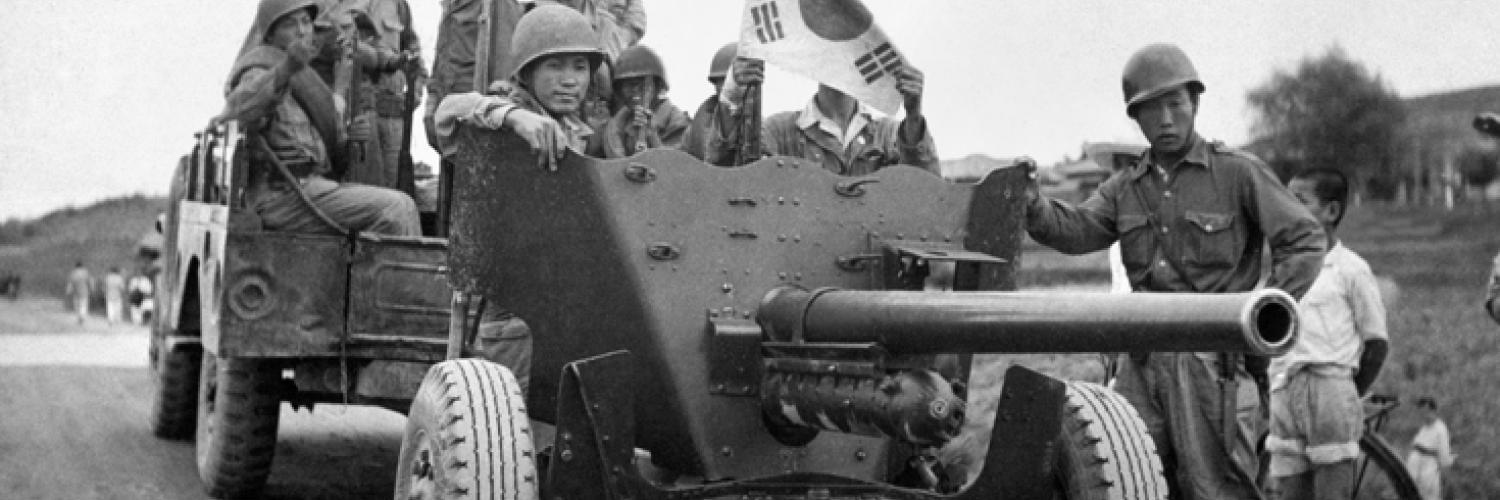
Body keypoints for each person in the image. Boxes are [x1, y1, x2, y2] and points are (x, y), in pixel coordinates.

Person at [1022, 44, 1327, 499]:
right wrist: (1033, 205)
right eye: (1150, 109)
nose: (1165, 119)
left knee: (1214, 490)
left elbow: (1304, 240)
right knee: (1134, 485)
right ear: (1136, 118)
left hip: (1211, 364)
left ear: (1195, 104)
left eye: (1175, 104)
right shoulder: (1126, 187)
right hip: (1141, 362)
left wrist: (1263, 318)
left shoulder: (1238, 173)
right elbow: (1078, 231)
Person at [433, 4, 610, 393]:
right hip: (514, 321)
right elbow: (446, 115)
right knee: (512, 439)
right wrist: (513, 116)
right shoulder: (502, 121)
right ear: (527, 72)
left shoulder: (579, 133)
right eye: (555, 67)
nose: (569, 81)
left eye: (579, 67)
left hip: (564, 310)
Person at [221, 0, 421, 237]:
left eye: (306, 22)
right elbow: (238, 113)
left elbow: (324, 156)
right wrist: (284, 70)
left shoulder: (306, 79)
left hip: (309, 189)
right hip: (281, 195)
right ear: (270, 34)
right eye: (289, 24)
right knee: (396, 209)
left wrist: (348, 141)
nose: (301, 30)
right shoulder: (259, 70)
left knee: (396, 204)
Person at [1265, 168, 1389, 500]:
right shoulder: (1282, 270)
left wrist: (1347, 390)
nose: (1288, 209)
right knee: (1288, 487)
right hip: (1283, 387)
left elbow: (1376, 343)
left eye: (1300, 202)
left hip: (1330, 389)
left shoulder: (1351, 269)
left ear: (1331, 212)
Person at [709, 56, 938, 175]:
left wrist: (914, 115)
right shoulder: (780, 133)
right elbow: (729, 174)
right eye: (829, 54)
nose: (840, 63)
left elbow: (926, 194)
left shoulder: (888, 136)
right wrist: (732, 93)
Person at [596, 44, 691, 158]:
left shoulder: (677, 122)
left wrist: (652, 136)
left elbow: (678, 168)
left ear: (658, 86)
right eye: (627, 85)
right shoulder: (616, 126)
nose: (634, 91)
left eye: (642, 84)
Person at [683, 42, 736, 163]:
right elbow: (677, 167)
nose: (725, 88)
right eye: (720, 81)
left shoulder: (760, 128)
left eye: (731, 82)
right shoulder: (694, 129)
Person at [1405, 397, 1453, 500]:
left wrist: (1446, 482)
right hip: (1415, 472)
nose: (1424, 414)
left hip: (1428, 473)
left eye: (1427, 411)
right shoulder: (1424, 428)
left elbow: (1444, 457)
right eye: (1422, 411)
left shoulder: (1440, 429)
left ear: (1433, 410)